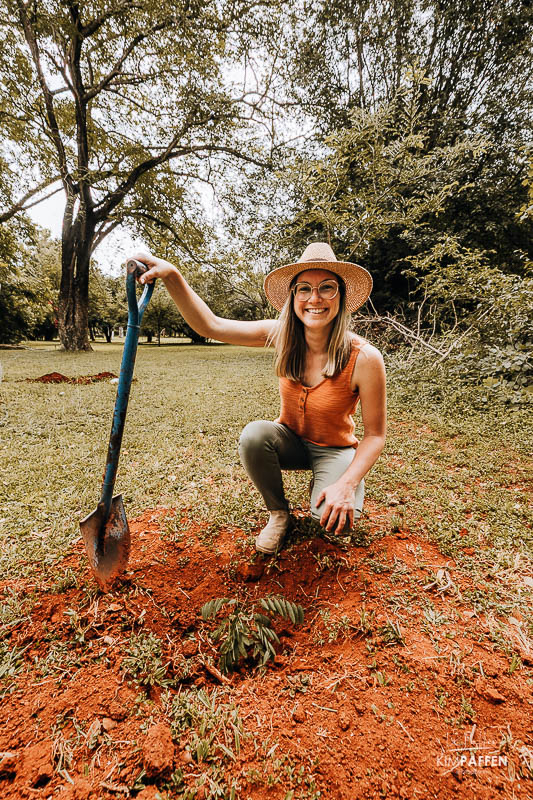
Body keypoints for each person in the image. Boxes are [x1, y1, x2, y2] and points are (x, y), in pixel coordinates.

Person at [132, 242, 387, 555]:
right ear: (293, 296)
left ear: (341, 296)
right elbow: (211, 325)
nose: (315, 298)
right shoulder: (281, 334)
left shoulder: (365, 358)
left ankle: (329, 481)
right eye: (304, 288)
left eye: (327, 288)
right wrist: (173, 276)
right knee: (254, 435)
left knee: (336, 524)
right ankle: (279, 514)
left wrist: (346, 484)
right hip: (290, 441)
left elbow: (375, 435)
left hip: (334, 449)